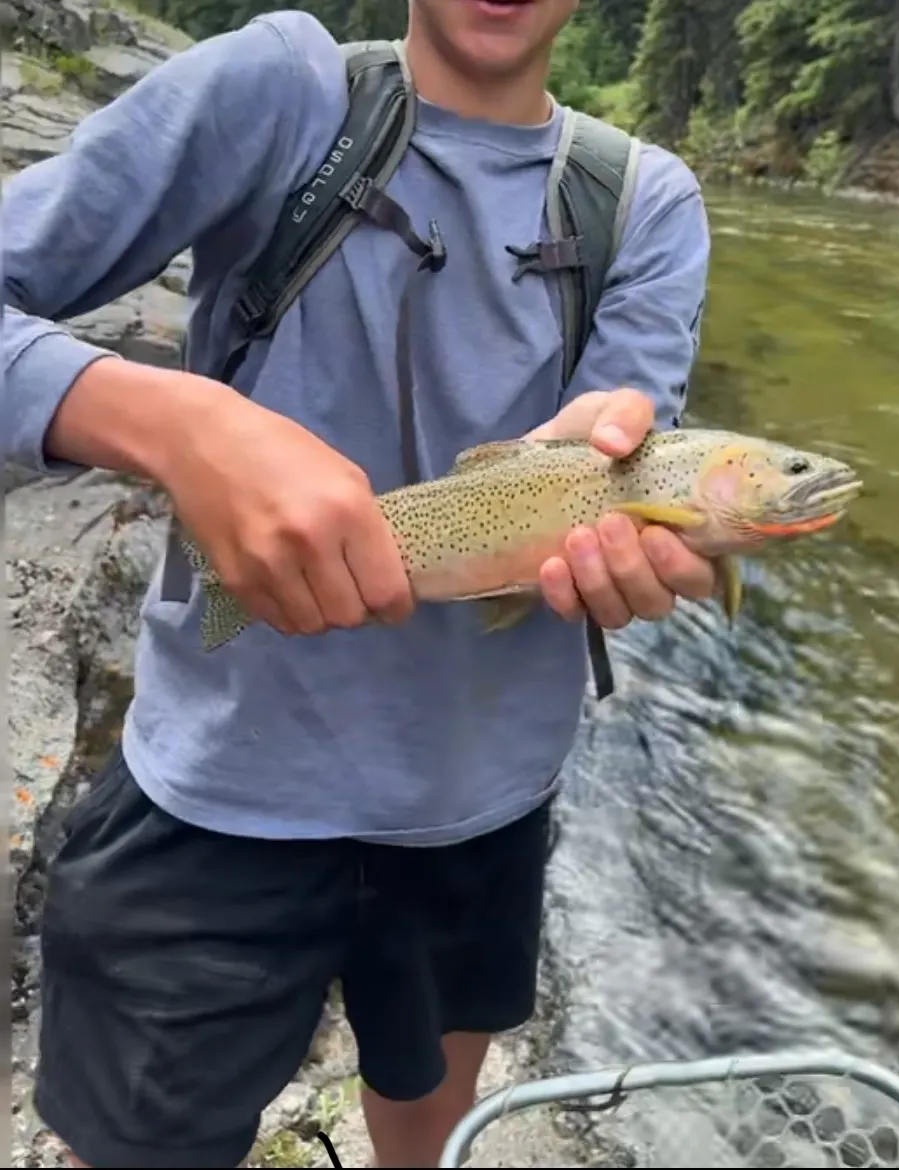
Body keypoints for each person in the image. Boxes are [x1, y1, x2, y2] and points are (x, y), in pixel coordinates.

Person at [1, 0, 712, 1166]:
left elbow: (629, 447)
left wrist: (620, 521)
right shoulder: (277, 95)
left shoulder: (646, 202)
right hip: (215, 796)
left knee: (424, 1139)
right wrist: (168, 419)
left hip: (483, 805)